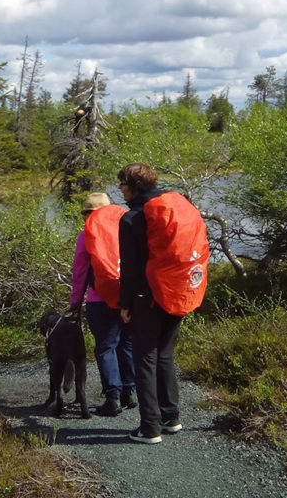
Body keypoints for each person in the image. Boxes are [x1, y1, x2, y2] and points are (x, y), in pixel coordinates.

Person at [118, 163, 210, 444]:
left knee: (144, 358)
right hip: (177, 291)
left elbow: (131, 268)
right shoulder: (174, 206)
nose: (119, 188)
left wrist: (125, 303)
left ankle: (149, 428)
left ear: (133, 186)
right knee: (165, 355)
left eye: (122, 183)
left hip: (148, 297)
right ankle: (171, 418)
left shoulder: (132, 218)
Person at [69, 192, 136, 416]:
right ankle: (129, 392)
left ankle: (113, 398)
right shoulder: (128, 228)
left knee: (106, 347)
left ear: (88, 214)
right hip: (130, 296)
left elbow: (79, 273)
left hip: (100, 300)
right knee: (126, 345)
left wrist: (75, 302)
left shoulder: (86, 234)